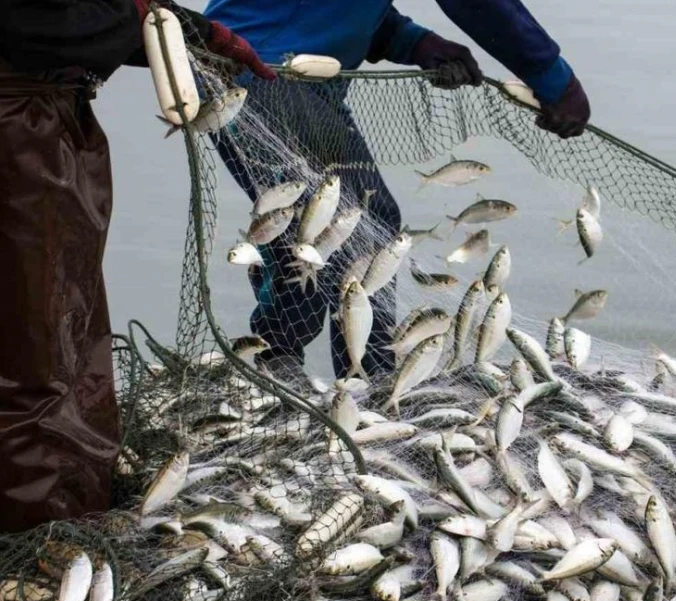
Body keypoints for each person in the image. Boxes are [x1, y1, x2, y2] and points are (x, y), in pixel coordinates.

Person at [205, 0, 591, 385]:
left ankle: (358, 374)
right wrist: (554, 78)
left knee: (362, 222)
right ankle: (295, 364)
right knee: (331, 223)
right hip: (258, 72)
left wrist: (414, 42)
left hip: (295, 78)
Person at [0, 0, 272, 533]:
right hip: (18, 130)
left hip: (45, 117)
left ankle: (69, 503)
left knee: (62, 325)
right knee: (35, 346)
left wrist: (183, 30)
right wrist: (145, 17)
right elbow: (36, 22)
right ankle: (38, 533)